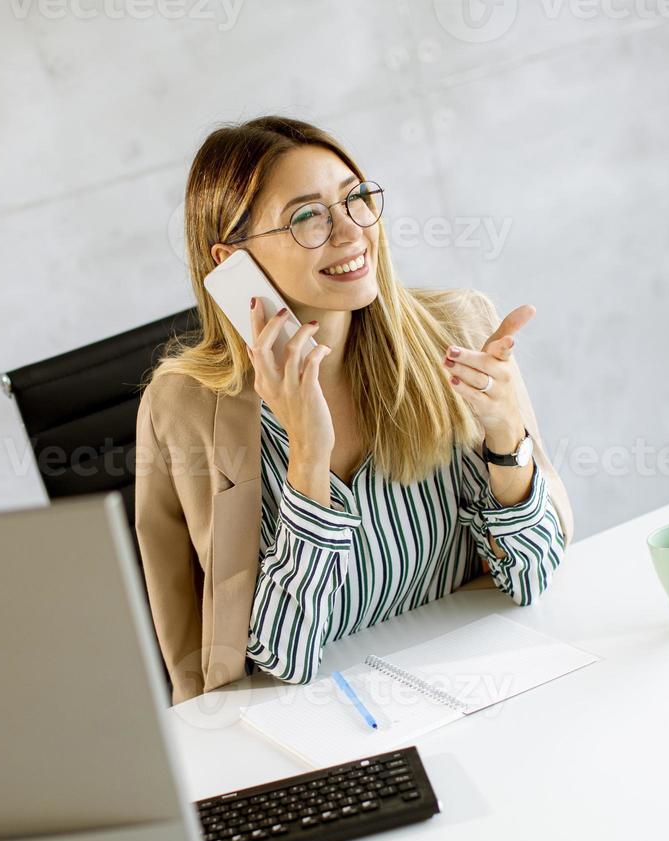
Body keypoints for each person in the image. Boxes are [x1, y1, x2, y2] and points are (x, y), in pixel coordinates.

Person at [136, 116, 574, 704]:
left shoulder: (457, 331)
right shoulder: (189, 410)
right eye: (307, 216)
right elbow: (281, 662)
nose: (351, 233)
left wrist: (504, 439)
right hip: (321, 725)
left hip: (483, 685)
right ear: (231, 260)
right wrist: (309, 459)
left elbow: (531, 580)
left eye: (356, 200)